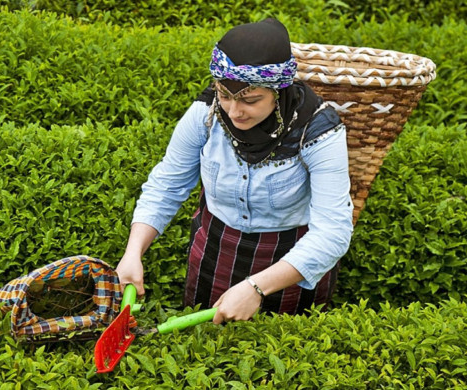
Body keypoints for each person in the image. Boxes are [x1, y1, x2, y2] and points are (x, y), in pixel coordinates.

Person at [115, 18, 354, 324]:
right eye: (225, 95)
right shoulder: (206, 114)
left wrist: (256, 287)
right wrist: (133, 253)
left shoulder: (319, 131)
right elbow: (167, 186)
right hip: (216, 252)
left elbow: (333, 232)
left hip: (289, 262)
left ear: (278, 92)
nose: (234, 111)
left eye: (250, 100)